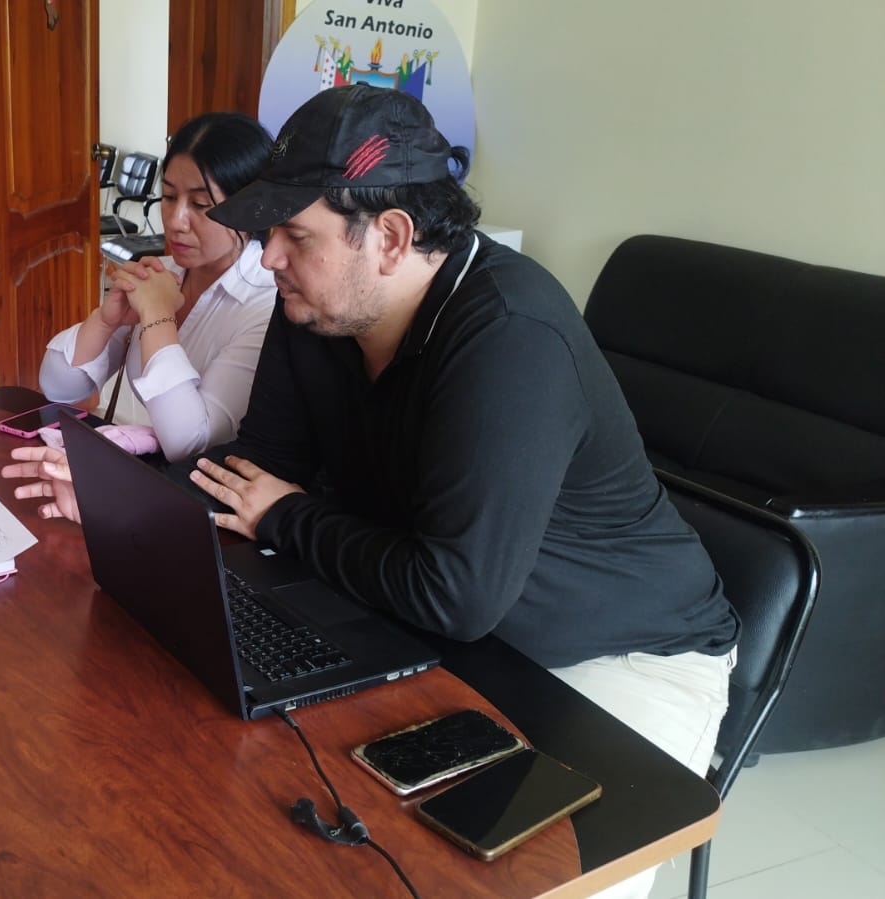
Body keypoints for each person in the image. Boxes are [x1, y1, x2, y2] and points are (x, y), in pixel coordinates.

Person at [180, 86, 738, 897]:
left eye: (294, 236)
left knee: (514, 880)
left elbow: (453, 591)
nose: (268, 258)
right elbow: (258, 469)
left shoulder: (508, 334)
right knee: (268, 806)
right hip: (448, 625)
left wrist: (289, 515)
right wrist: (130, 500)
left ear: (390, 237)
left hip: (616, 657)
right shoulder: (320, 307)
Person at [37, 112, 277, 463]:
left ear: (250, 207)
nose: (176, 221)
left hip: (195, 486)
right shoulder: (164, 275)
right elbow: (59, 387)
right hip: (135, 470)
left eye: (200, 205)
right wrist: (105, 321)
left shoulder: (265, 304)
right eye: (168, 196)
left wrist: (157, 314)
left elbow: (189, 441)